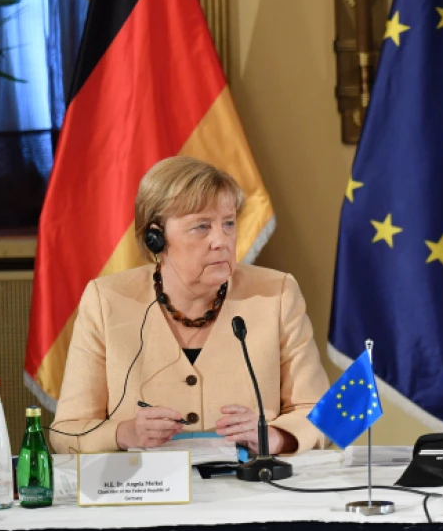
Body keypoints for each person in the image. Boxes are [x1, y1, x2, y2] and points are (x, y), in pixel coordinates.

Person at [50, 156, 330, 455]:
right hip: (146, 493)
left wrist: (275, 436)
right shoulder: (106, 301)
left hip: (250, 490)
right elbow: (67, 431)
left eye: (228, 224)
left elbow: (320, 414)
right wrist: (125, 433)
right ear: (156, 237)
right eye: (201, 227)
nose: (221, 241)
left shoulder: (276, 294)